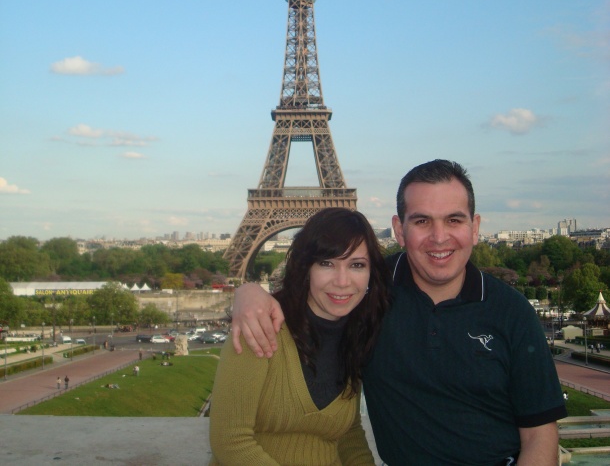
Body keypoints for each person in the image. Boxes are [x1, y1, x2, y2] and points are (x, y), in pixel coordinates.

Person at [231, 159, 567, 466]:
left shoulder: (513, 312)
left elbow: (539, 435)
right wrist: (246, 294)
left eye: (454, 219)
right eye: (422, 220)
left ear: (475, 227)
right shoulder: (367, 291)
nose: (439, 237)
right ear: (399, 229)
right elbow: (307, 301)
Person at [209, 207, 390, 466]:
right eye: (327, 263)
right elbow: (230, 441)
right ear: (306, 268)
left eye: (357, 265)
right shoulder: (260, 327)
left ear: (371, 273)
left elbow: (348, 434)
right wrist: (246, 288)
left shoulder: (357, 336)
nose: (342, 281)